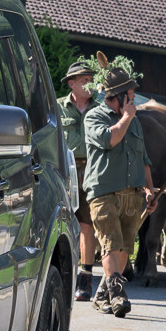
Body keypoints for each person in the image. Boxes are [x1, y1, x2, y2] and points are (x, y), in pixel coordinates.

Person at [81, 63, 157, 317]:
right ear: (119, 97)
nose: (134, 102)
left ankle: (103, 293)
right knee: (111, 246)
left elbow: (143, 158)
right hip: (104, 193)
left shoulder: (134, 123)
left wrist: (150, 190)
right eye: (131, 97)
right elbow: (110, 139)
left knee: (125, 249)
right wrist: (126, 117)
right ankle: (117, 294)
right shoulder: (94, 116)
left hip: (132, 195)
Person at [57, 57, 100, 301]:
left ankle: (85, 281)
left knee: (87, 224)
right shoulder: (57, 107)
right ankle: (64, 275)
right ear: (71, 84)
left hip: (93, 169)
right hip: (66, 171)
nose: (90, 84)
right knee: (63, 224)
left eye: (91, 80)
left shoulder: (101, 108)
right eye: (85, 80)